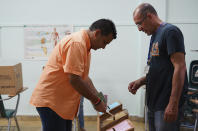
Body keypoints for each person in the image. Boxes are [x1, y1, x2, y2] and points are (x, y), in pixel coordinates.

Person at [30, 19, 117, 131]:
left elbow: (84, 78)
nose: (104, 47)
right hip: (52, 103)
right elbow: (75, 80)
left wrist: (99, 98)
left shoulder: (86, 47)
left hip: (61, 104)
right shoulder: (77, 43)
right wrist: (96, 101)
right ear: (97, 33)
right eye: (104, 42)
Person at [128, 3, 188, 131]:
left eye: (139, 23)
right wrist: (141, 81)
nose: (139, 28)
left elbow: (180, 67)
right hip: (154, 102)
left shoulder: (170, 32)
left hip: (166, 102)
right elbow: (160, 69)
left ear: (149, 16)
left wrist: (173, 103)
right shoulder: (155, 35)